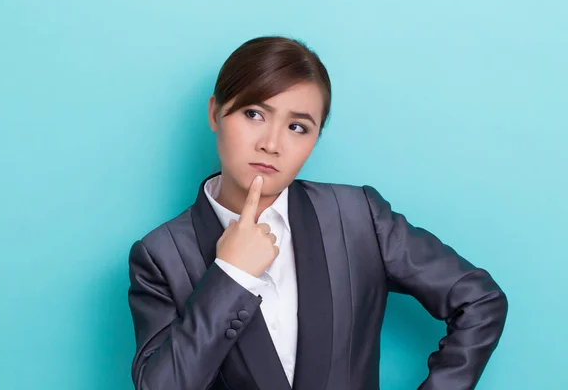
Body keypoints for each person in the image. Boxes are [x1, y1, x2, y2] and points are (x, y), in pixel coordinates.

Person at [127, 36, 508, 390]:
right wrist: (231, 276)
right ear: (215, 113)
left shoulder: (358, 218)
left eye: (297, 126)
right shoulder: (161, 256)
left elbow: (480, 300)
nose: (272, 143)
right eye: (254, 114)